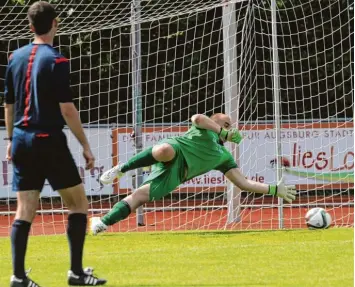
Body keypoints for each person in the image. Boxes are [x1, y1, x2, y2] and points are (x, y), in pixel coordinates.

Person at [4, 2, 106, 286]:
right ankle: (75, 273)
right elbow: (67, 109)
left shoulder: (15, 57)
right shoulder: (57, 60)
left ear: (29, 25)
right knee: (77, 203)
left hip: (22, 139)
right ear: (55, 24)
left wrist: (11, 139)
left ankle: (18, 277)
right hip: (48, 139)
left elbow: (8, 103)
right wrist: (85, 145)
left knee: (24, 209)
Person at [89, 113, 297, 234]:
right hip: (175, 149)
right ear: (217, 124)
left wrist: (274, 189)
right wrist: (221, 130)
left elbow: (243, 183)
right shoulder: (205, 128)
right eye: (227, 125)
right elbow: (197, 118)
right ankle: (122, 169)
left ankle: (102, 223)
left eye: (231, 126)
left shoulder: (224, 156)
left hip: (177, 174)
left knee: (139, 197)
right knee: (163, 150)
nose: (230, 128)